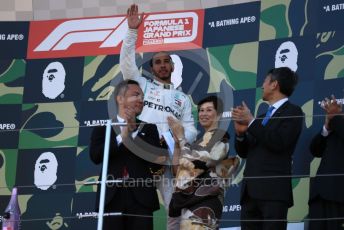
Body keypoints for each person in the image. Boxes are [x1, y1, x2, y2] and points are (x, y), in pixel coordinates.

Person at [120, 4, 197, 209]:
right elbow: (126, 63)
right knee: (136, 207)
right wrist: (132, 31)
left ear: (173, 66)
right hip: (139, 152)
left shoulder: (183, 98)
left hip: (167, 158)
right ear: (151, 67)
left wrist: (172, 138)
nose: (162, 65)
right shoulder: (142, 84)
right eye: (157, 62)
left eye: (166, 62)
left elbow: (190, 129)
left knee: (175, 207)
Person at [232, 67, 303, 230]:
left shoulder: (293, 111)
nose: (262, 85)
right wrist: (240, 134)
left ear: (274, 84)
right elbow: (244, 152)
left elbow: (279, 142)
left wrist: (251, 122)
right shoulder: (262, 117)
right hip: (250, 193)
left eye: (265, 81)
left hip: (273, 193)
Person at [89, 79, 164, 230]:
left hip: (141, 198)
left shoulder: (149, 128)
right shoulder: (104, 128)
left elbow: (156, 163)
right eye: (136, 95)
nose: (141, 100)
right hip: (111, 197)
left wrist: (134, 132)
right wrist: (122, 136)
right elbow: (95, 156)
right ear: (120, 98)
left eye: (142, 97)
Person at [167, 95, 239, 229]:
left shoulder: (220, 137)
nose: (203, 114)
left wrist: (182, 137)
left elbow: (198, 161)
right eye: (201, 110)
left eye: (209, 110)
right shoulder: (198, 142)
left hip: (205, 203)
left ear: (218, 115)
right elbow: (178, 172)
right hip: (189, 201)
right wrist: (177, 145)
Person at [308, 95, 344, 230]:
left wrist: (335, 117)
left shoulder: (339, 122)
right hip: (320, 194)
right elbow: (315, 150)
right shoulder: (337, 124)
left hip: (339, 196)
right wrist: (327, 127)